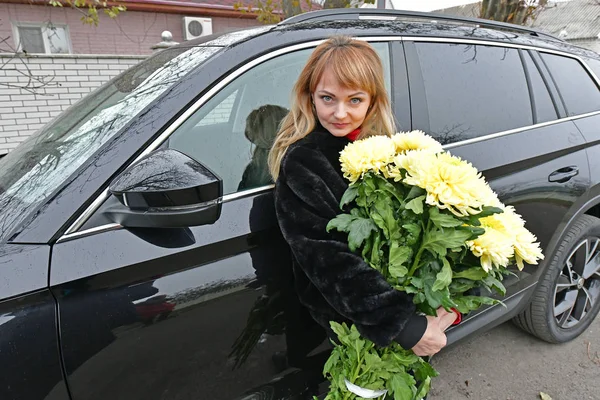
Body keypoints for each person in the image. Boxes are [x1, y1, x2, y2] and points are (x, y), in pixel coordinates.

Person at [268, 36, 457, 357]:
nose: (340, 113)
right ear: (310, 97)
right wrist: (402, 324)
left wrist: (444, 298)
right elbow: (326, 258)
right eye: (328, 98)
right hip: (347, 324)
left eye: (354, 100)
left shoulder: (387, 152)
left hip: (398, 309)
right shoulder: (305, 160)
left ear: (372, 100)